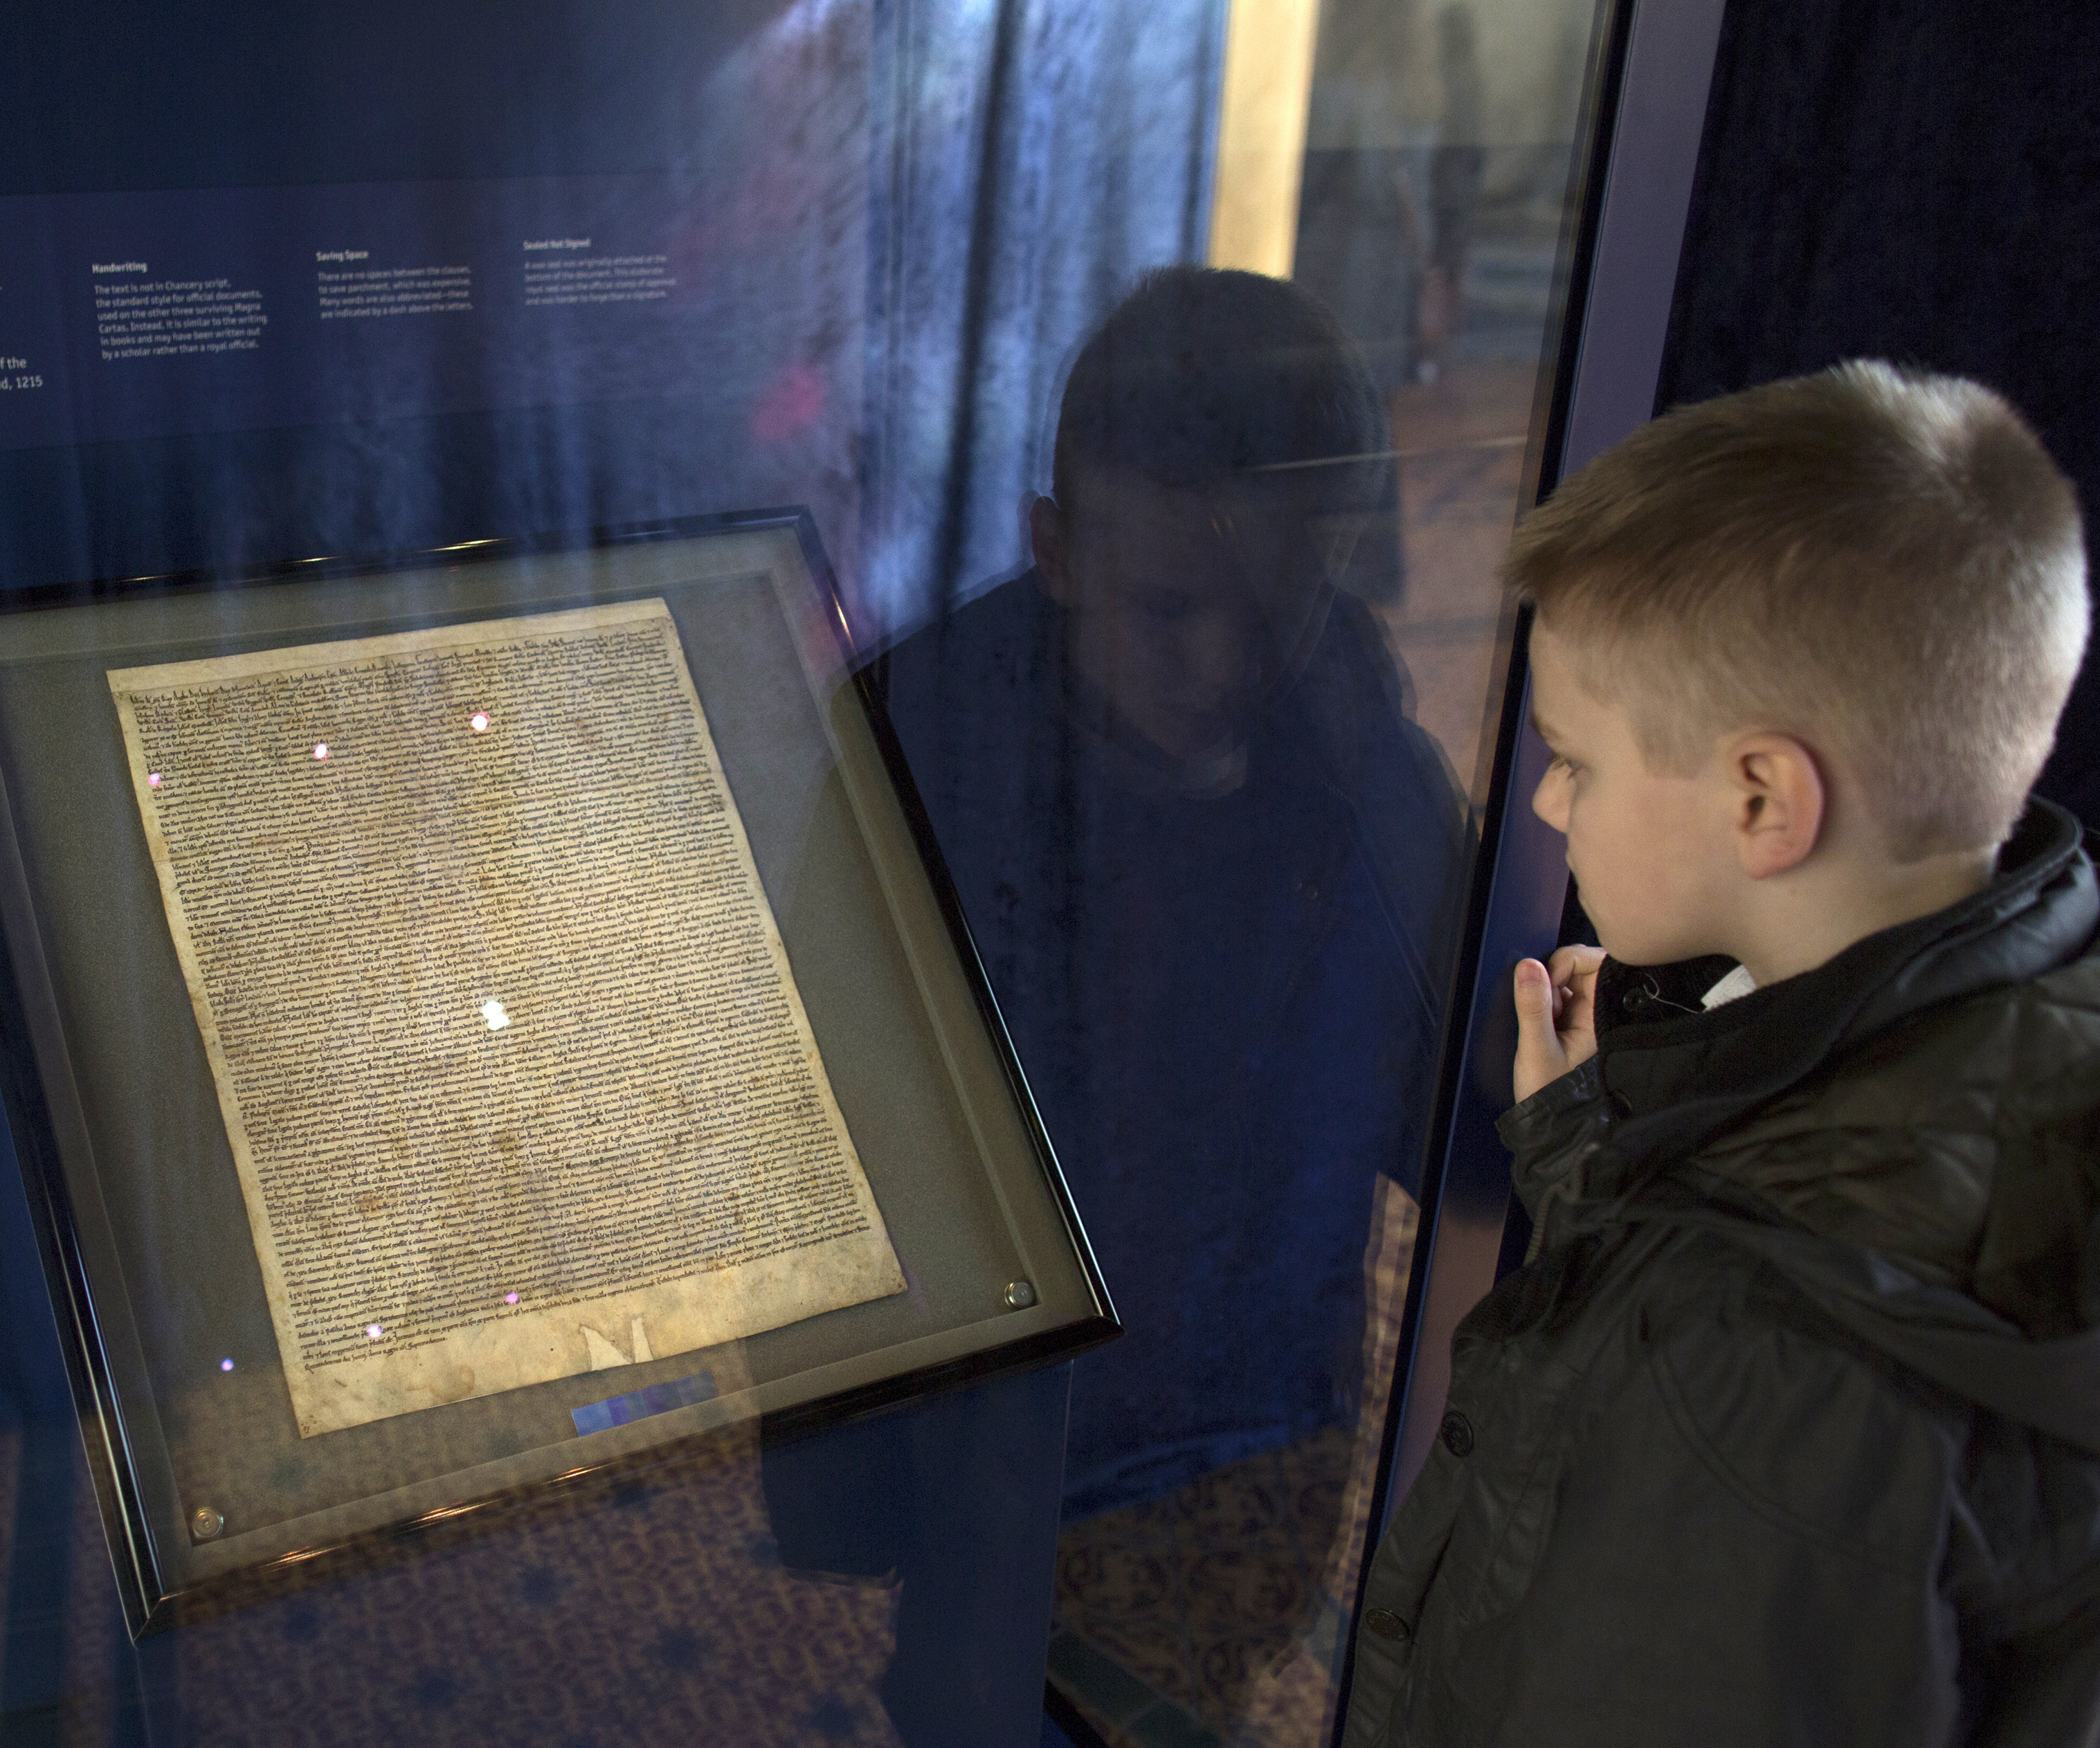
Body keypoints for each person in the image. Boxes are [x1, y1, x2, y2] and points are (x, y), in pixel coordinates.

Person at [1344, 362, 2100, 1745]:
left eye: (1575, 756)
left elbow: (1736, 1378)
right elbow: (1836, 1222)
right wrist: (1593, 1153)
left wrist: (1655, 1270)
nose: (1544, 794)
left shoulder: (1750, 1382)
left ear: (1762, 797)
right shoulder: (2036, 1000)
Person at [872, 266, 1468, 1519]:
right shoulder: (921, 764)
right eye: (1166, 609)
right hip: (1010, 1433)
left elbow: (1432, 1093)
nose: (1223, 666)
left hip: (1269, 1394)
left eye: (1276, 612)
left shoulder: (1373, 772)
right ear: (1056, 550)